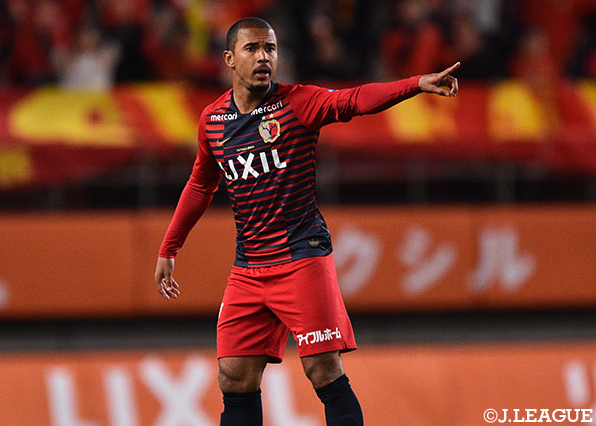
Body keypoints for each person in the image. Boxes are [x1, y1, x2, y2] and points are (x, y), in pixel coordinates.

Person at [155, 17, 459, 426]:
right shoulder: (212, 120)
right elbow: (200, 184)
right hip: (249, 267)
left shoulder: (298, 103)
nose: (264, 57)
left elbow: (354, 100)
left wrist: (415, 83)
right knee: (234, 376)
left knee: (323, 371)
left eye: (271, 48)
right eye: (252, 49)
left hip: (302, 257)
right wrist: (169, 248)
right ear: (229, 58)